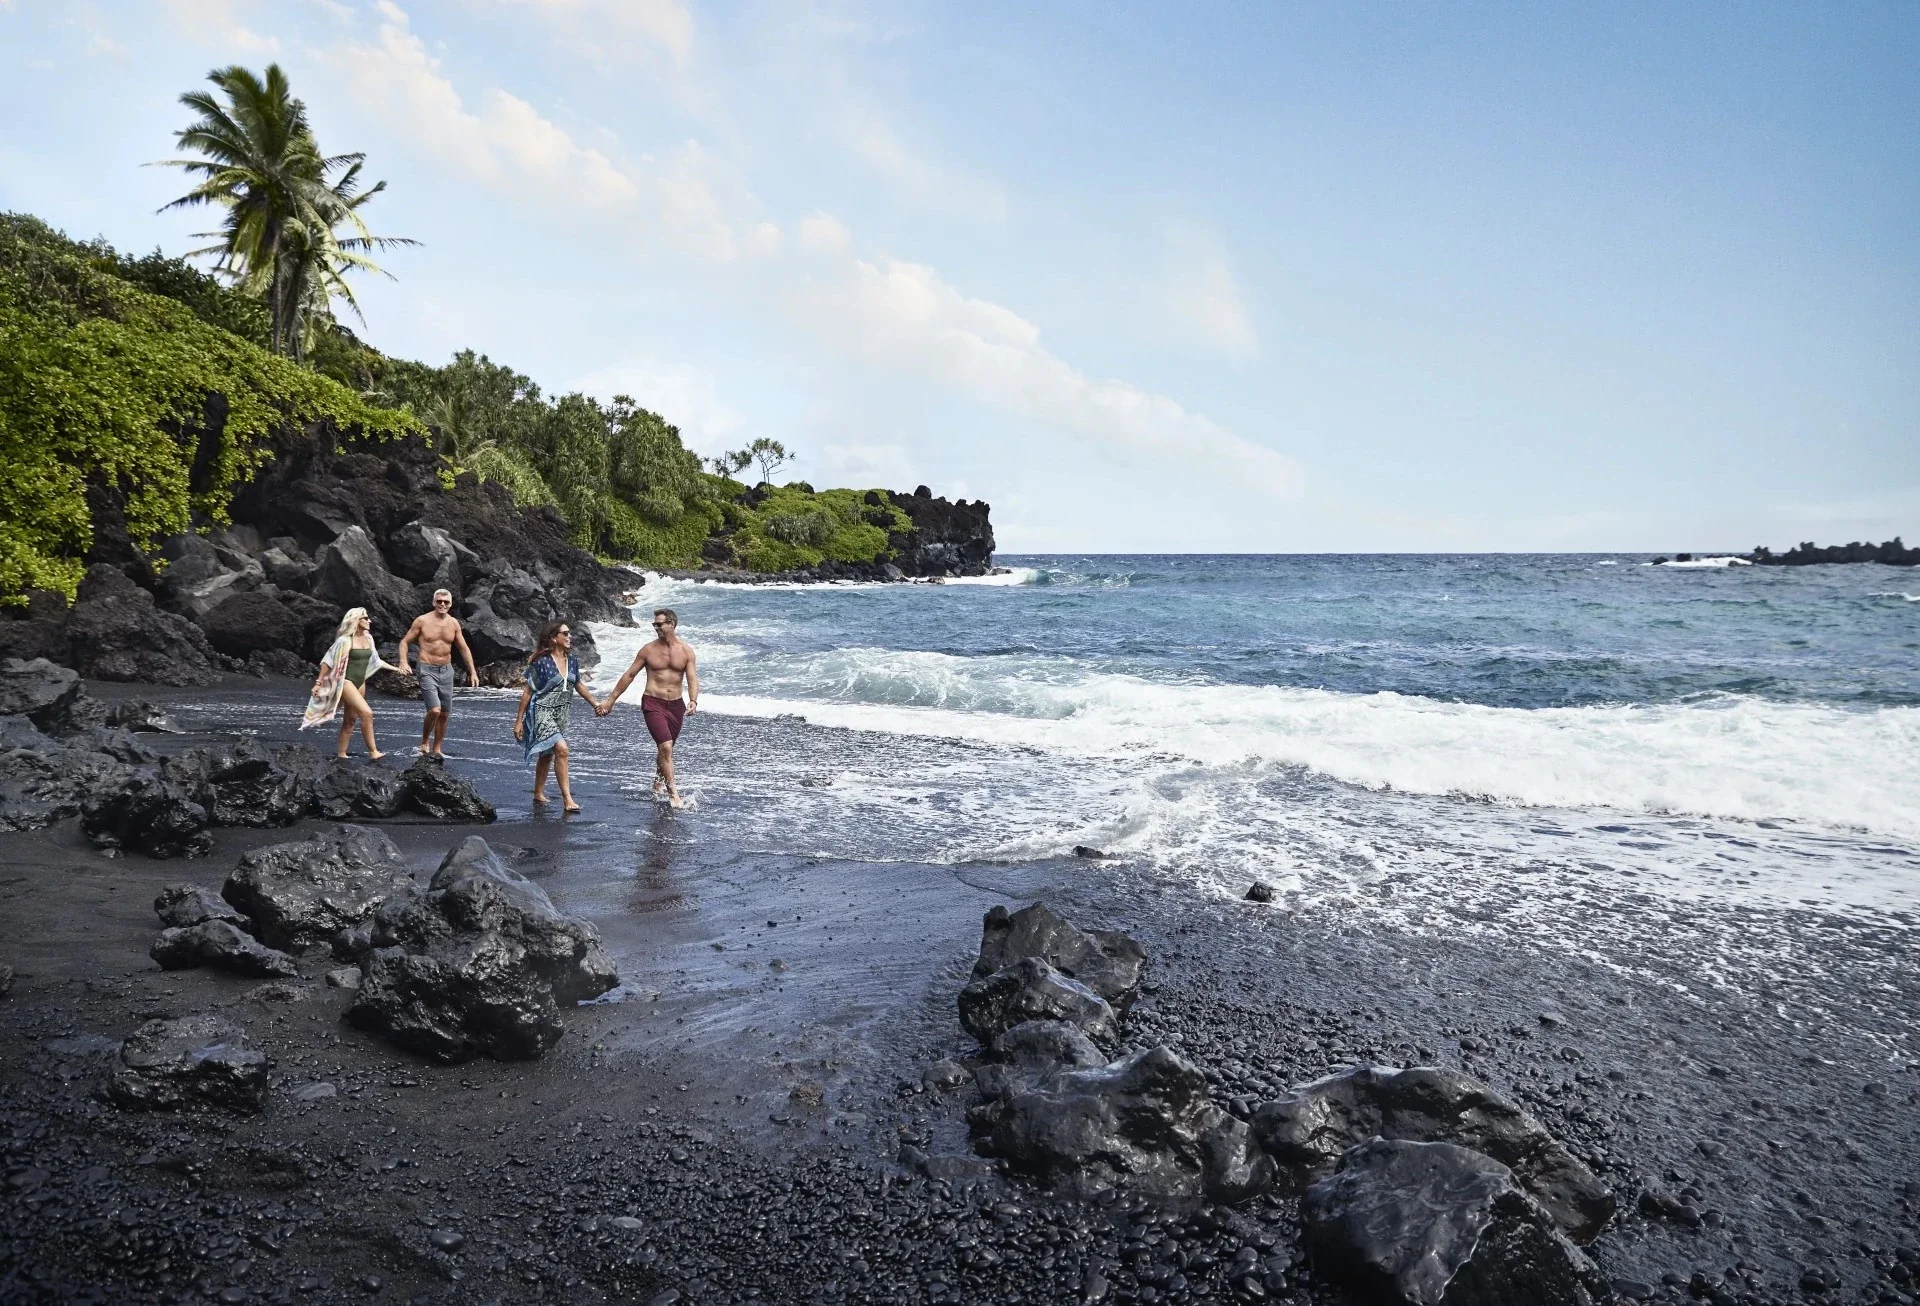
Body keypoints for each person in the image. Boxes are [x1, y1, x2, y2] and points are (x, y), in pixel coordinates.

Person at [597, 607, 699, 808]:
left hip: (676, 705)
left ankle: (658, 781)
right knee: (666, 746)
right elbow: (629, 675)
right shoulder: (648, 650)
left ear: (671, 624)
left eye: (659, 624)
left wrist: (693, 700)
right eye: (654, 624)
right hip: (653, 702)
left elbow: (692, 678)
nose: (656, 627)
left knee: (666, 748)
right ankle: (673, 794)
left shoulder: (686, 651)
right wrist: (610, 700)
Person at [513, 621, 599, 814]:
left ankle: (538, 793)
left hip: (560, 714)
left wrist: (596, 704)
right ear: (553, 638)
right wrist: (518, 721)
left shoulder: (572, 660)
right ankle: (568, 799)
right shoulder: (541, 662)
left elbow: (578, 685)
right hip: (541, 711)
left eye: (569, 633)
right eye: (565, 633)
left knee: (547, 753)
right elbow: (528, 692)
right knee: (562, 749)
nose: (569, 637)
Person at [395, 588, 479, 759]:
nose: (442, 604)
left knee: (445, 713)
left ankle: (437, 748)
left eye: (446, 602)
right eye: (439, 601)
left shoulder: (453, 624)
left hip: (446, 670)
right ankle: (425, 741)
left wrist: (472, 671)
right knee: (434, 710)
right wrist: (403, 661)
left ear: (450, 604)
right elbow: (404, 642)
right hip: (426, 668)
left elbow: (463, 648)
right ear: (434, 602)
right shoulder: (422, 621)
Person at [301, 606, 388, 760]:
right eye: (365, 618)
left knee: (350, 720)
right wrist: (318, 683)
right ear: (356, 620)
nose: (369, 621)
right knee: (367, 714)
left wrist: (397, 669)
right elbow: (327, 661)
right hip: (347, 682)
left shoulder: (368, 638)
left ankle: (342, 754)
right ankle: (373, 752)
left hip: (360, 683)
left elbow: (376, 660)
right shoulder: (344, 641)